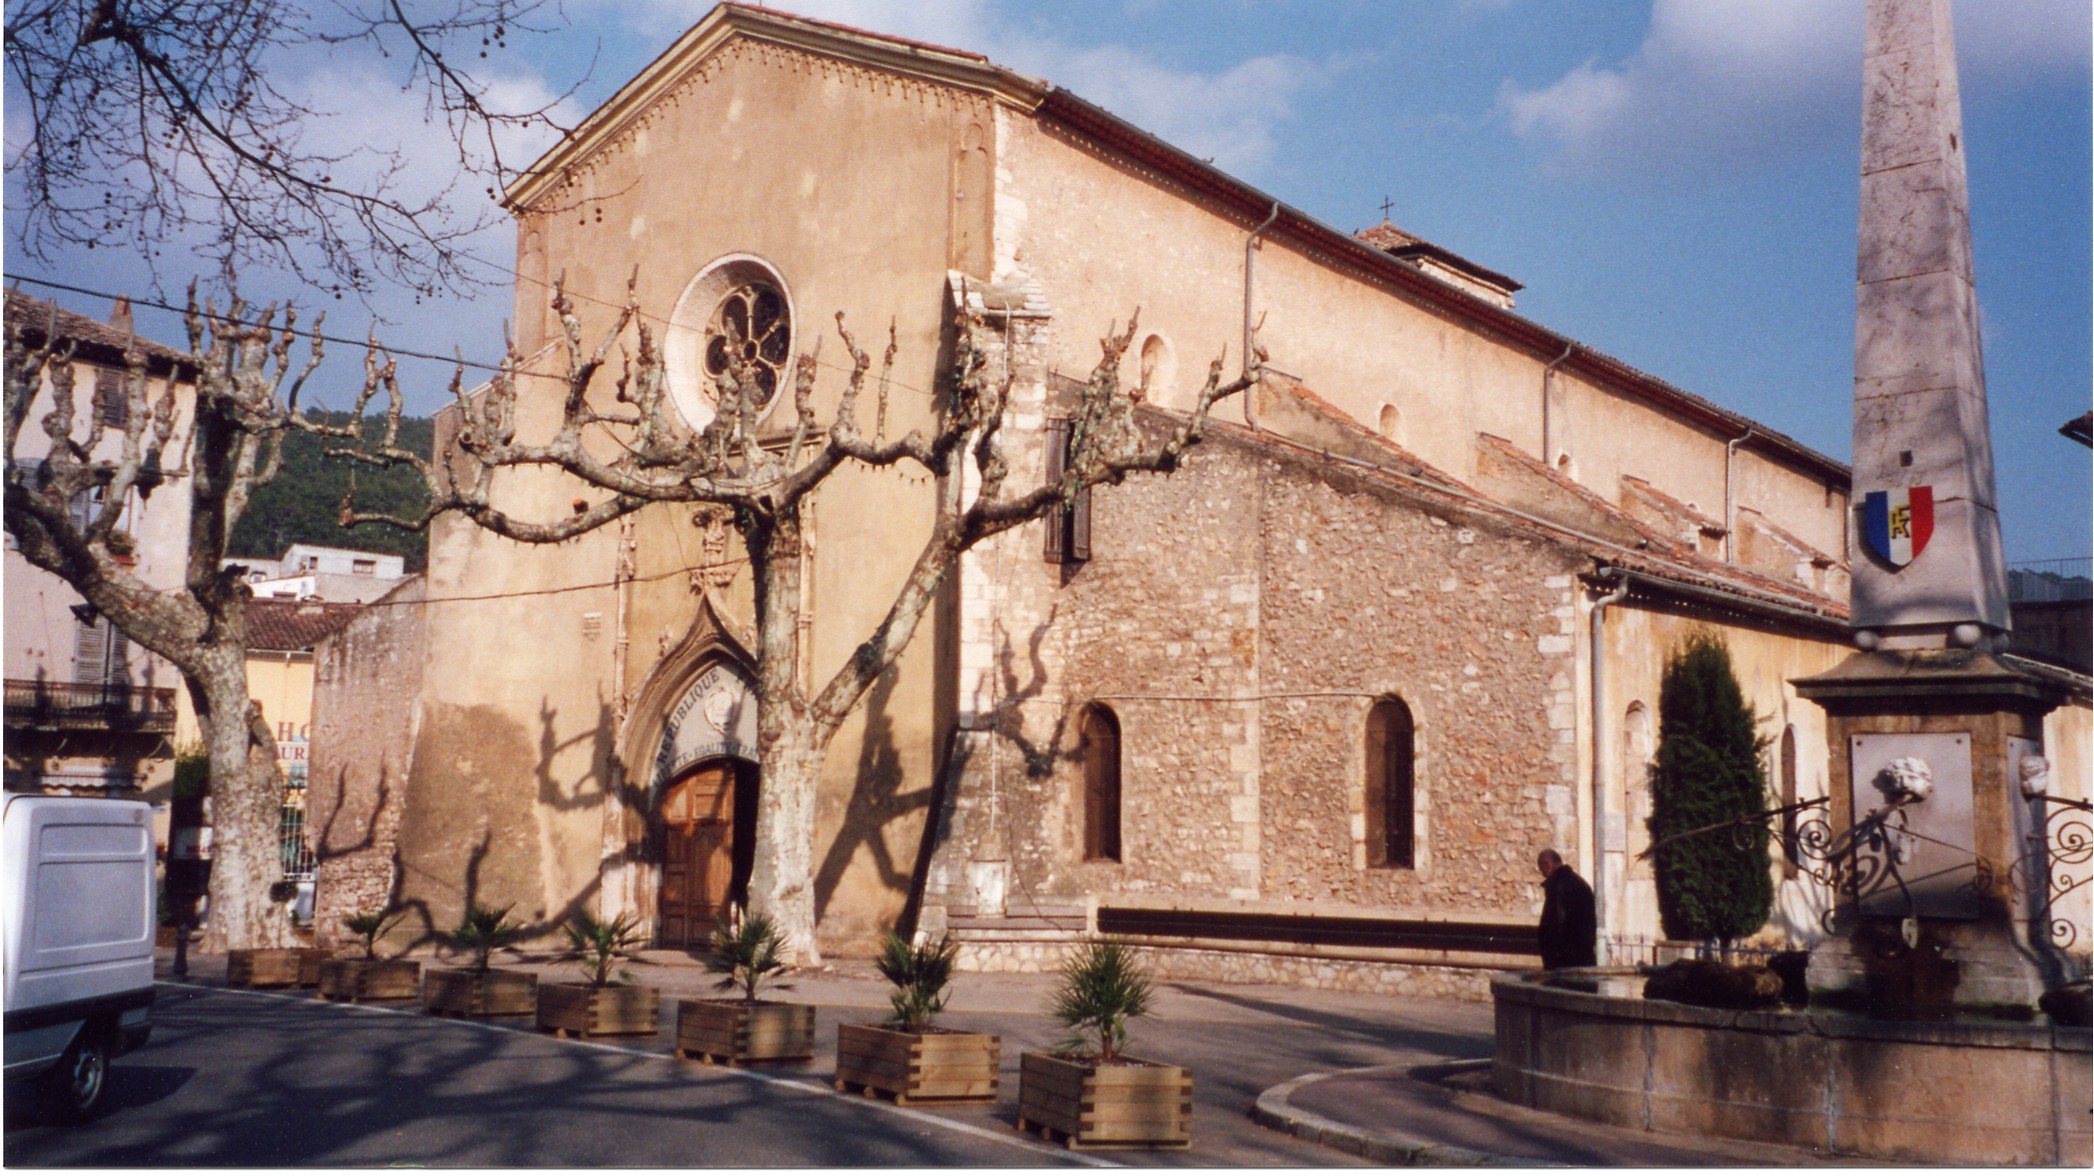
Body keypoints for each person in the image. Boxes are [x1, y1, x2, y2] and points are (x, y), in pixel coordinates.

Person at [1535, 848, 1597, 969]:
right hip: (1584, 957)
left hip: (1563, 961)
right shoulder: (1581, 883)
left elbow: (1555, 923)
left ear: (1547, 864)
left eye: (1541, 869)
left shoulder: (1557, 887)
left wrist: (1552, 958)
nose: (1542, 874)